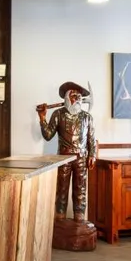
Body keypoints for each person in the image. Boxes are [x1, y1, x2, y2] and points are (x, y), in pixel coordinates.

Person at [37, 81, 97, 222]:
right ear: (66, 98)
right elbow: (48, 135)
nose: (77, 99)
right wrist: (42, 118)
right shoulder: (58, 114)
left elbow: (91, 138)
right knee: (61, 189)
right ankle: (60, 218)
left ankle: (80, 219)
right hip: (63, 159)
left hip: (81, 158)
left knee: (80, 190)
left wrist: (92, 155)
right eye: (73, 96)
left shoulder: (87, 117)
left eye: (79, 96)